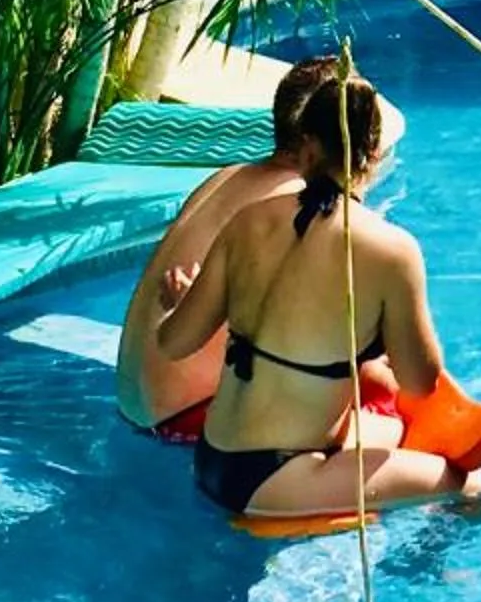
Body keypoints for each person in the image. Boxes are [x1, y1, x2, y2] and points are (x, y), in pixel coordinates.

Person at [157, 55, 481, 522]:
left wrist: (177, 303)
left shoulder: (248, 222)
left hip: (213, 458)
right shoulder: (391, 249)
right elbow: (420, 383)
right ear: (373, 154)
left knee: (396, 433)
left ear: (307, 147)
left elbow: (174, 342)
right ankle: (422, 559)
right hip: (276, 479)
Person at [113, 55, 404, 438]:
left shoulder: (227, 176)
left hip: (133, 402)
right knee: (389, 404)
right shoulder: (301, 204)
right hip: (193, 416)